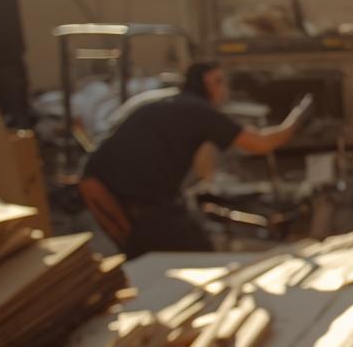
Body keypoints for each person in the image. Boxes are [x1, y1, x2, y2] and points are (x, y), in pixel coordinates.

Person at [82, 61, 307, 258]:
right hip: (142, 207)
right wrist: (297, 119)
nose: (225, 91)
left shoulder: (169, 104)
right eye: (221, 82)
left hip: (115, 194)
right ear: (209, 83)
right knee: (198, 260)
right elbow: (260, 143)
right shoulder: (199, 111)